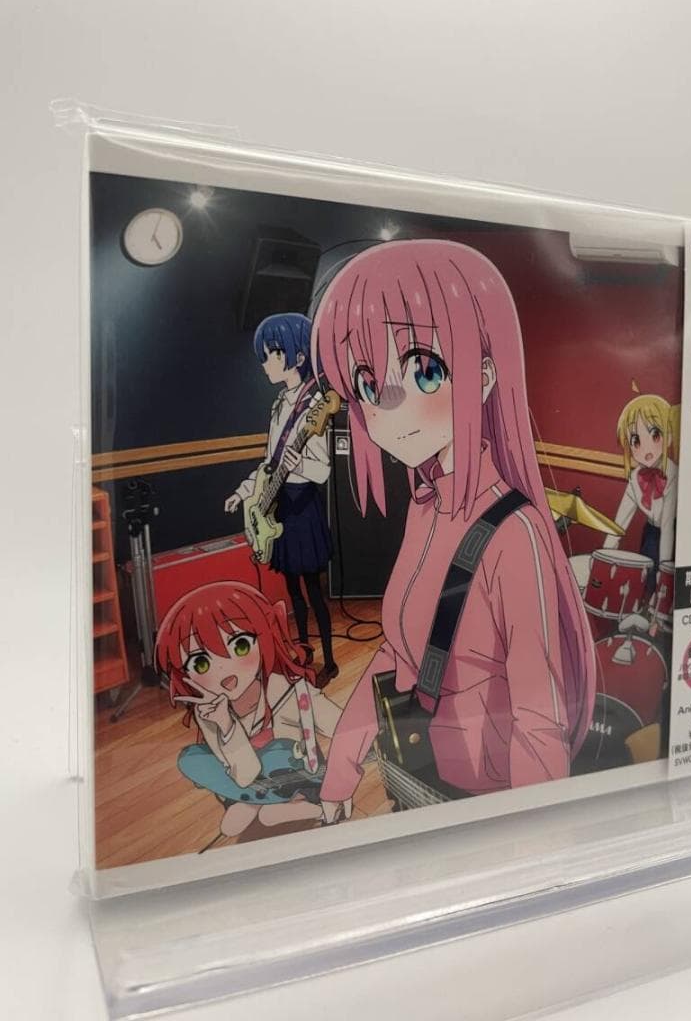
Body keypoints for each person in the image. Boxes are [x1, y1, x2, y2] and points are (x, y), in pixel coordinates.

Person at [310, 239, 596, 823]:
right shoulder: (425, 505)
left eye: (425, 371)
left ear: (484, 375)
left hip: (484, 810)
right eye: (368, 384)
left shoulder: (513, 531)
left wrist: (533, 842)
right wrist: (339, 775)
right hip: (418, 786)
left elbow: (539, 717)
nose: (389, 408)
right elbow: (397, 654)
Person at [154, 581, 342, 838]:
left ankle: (316, 809)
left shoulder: (289, 689)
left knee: (268, 808)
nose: (224, 670)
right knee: (226, 818)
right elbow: (245, 775)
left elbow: (339, 724)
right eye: (200, 664)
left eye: (240, 646)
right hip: (249, 777)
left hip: (296, 776)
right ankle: (258, 802)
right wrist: (226, 724)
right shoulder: (208, 713)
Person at [225, 312, 338, 685]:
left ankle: (330, 661)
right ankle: (304, 653)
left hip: (303, 505)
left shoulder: (314, 406)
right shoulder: (279, 405)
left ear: (298, 356)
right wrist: (243, 492)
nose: (265, 363)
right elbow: (269, 464)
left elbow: (321, 471)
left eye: (272, 353)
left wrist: (299, 462)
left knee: (314, 591)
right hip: (279, 509)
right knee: (293, 591)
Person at [602, 392, 680, 594]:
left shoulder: (673, 474)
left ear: (668, 435)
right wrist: (603, 560)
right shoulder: (636, 478)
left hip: (678, 535)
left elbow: (668, 527)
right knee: (647, 585)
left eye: (655, 435)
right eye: (636, 441)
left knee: (667, 590)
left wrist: (665, 572)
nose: (646, 448)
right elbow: (618, 526)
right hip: (652, 534)